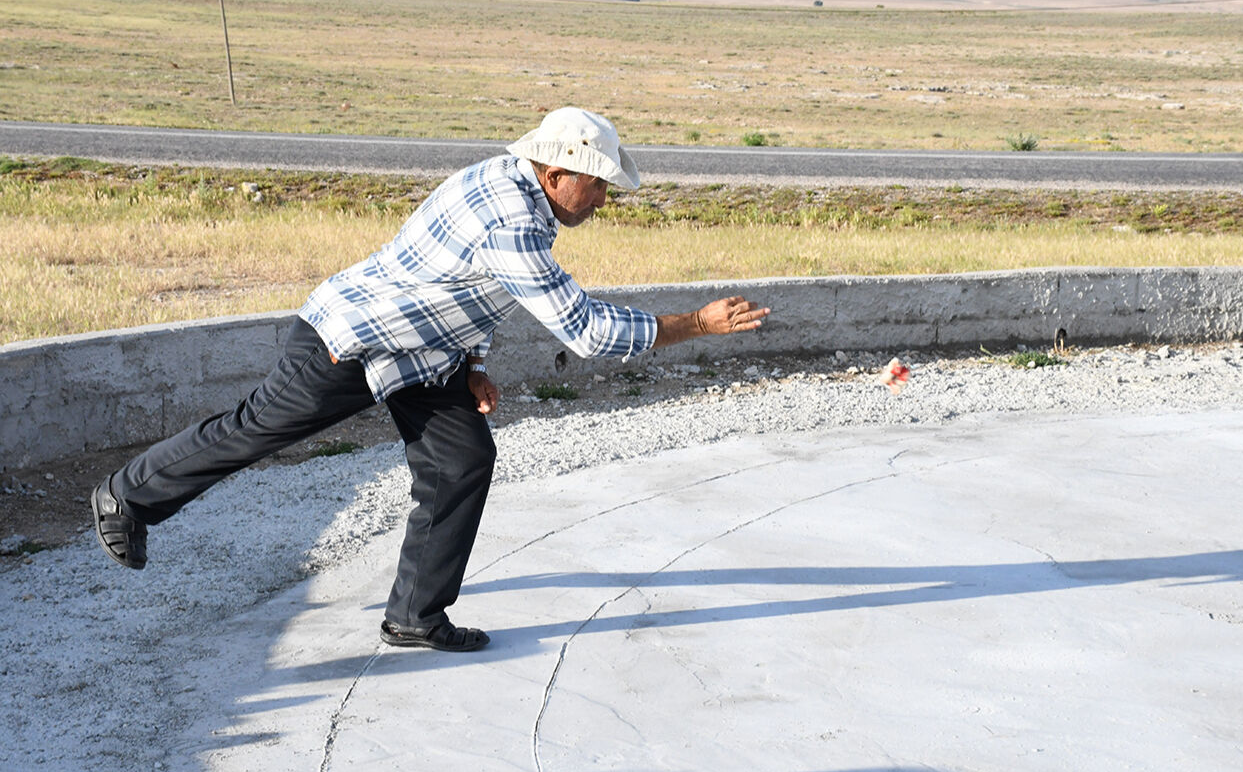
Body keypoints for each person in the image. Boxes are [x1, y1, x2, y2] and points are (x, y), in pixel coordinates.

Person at [90, 106, 770, 652]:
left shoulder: (509, 185)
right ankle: (127, 495)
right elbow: (586, 331)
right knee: (256, 429)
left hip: (425, 353)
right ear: (559, 171)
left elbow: (472, 291)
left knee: (462, 456)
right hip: (350, 343)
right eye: (597, 185)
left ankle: (415, 614)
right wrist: (698, 325)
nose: (602, 200)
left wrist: (473, 366)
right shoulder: (513, 219)